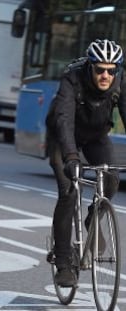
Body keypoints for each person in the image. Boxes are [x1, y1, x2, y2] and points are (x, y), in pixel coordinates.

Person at [46, 39, 126, 287]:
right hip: (62, 139)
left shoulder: (121, 81)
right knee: (68, 192)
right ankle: (63, 263)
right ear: (90, 67)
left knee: (111, 180)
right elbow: (63, 119)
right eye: (100, 69)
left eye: (111, 70)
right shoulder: (72, 80)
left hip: (95, 136)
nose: (105, 75)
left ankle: (93, 219)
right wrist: (71, 157)